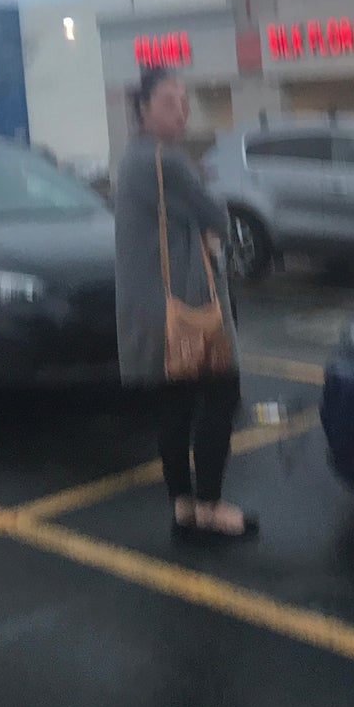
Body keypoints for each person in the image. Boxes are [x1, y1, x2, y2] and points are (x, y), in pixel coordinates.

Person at [114, 67, 257, 540]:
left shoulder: (133, 158)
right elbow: (215, 214)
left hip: (153, 307)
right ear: (142, 108)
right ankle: (210, 505)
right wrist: (213, 224)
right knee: (222, 390)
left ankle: (183, 506)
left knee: (174, 405)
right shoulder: (165, 161)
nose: (182, 111)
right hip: (184, 305)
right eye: (169, 102)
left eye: (184, 102)